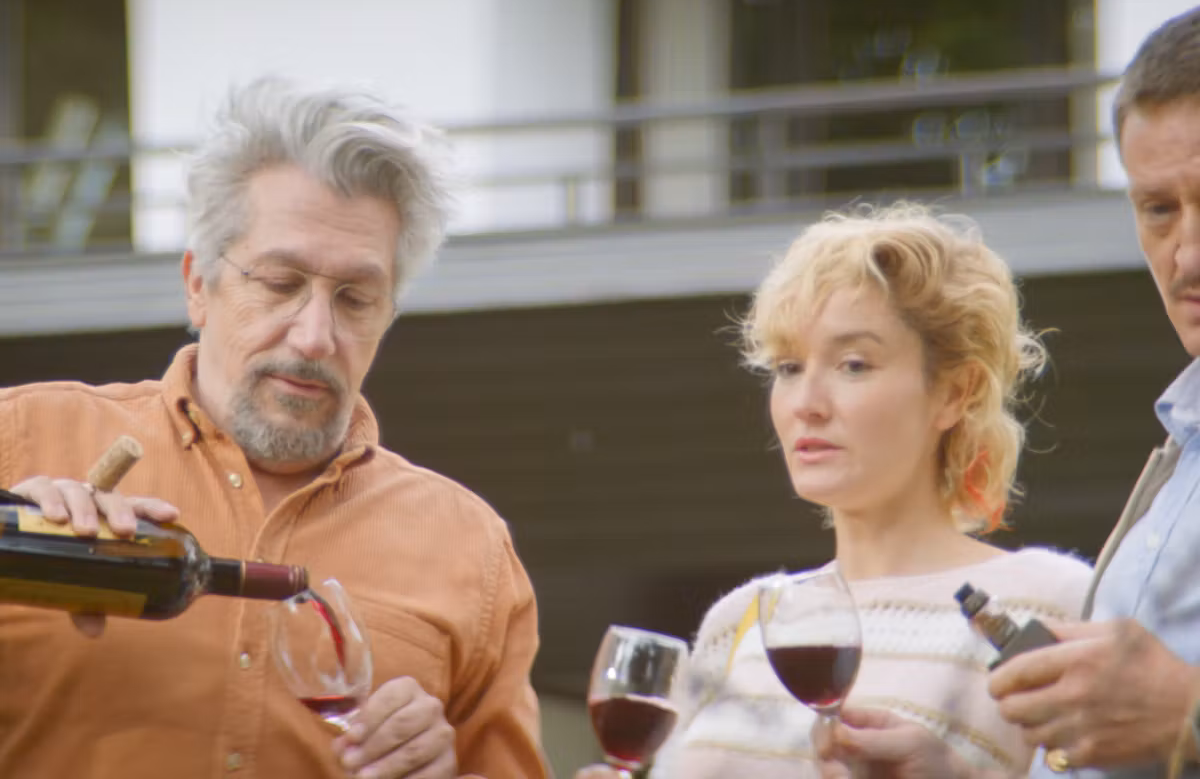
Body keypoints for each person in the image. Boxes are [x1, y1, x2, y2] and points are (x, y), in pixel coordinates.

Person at [0, 77, 548, 779]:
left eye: (355, 299)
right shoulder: (19, 437)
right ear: (198, 285)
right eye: (281, 284)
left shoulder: (471, 549)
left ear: (388, 317)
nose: (315, 335)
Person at [814, 4, 1200, 779]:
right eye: (1159, 210)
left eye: (856, 364)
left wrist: (1186, 714)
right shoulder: (1182, 445)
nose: (1185, 255)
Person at [578, 202, 1093, 779]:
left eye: (853, 365)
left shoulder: (1049, 604)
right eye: (788, 367)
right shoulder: (740, 620)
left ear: (956, 393)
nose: (807, 404)